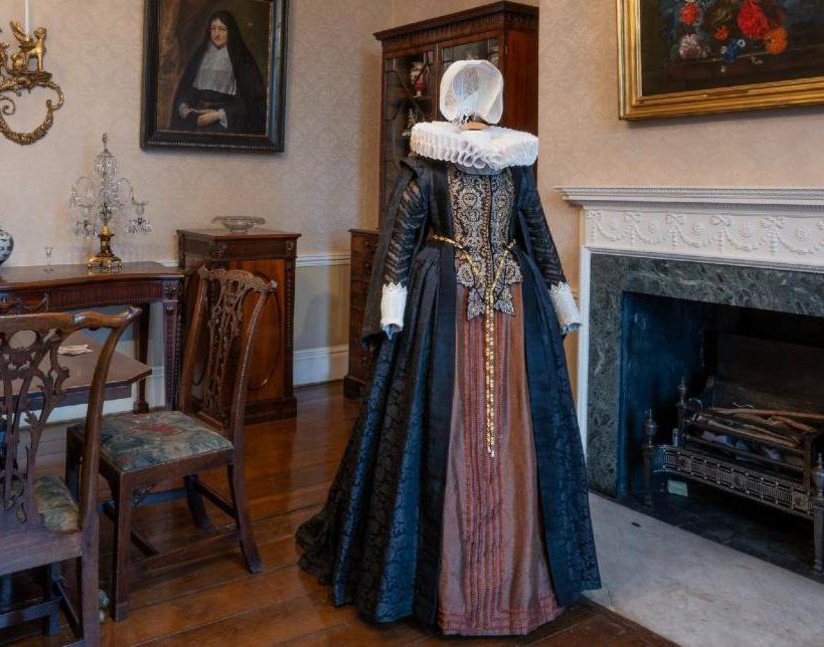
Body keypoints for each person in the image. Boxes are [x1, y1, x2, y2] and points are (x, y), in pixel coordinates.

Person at [296, 60, 600, 636]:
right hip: (443, 305)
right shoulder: (429, 161)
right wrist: (392, 305)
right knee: (432, 424)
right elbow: (402, 235)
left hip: (514, 304)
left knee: (522, 431)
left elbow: (535, 233)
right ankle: (440, 584)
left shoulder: (515, 162)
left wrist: (561, 298)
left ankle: (520, 581)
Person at [170, 9, 266, 135]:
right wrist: (185, 109)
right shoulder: (201, 55)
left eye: (222, 29)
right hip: (197, 118)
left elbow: (252, 102)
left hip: (227, 122)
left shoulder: (242, 60)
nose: (216, 34)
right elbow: (187, 89)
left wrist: (219, 115)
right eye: (213, 29)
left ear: (230, 32)